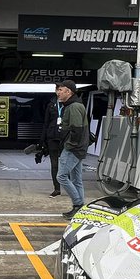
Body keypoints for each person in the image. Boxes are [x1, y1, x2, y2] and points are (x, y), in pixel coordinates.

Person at [55, 79, 88, 219]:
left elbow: (76, 129)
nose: (58, 93)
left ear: (68, 91)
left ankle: (78, 204)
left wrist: (70, 146)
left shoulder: (73, 107)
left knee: (61, 176)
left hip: (73, 148)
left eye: (60, 90)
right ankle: (80, 209)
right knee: (76, 179)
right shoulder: (75, 105)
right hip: (79, 148)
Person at [40, 90, 65, 197]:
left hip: (66, 138)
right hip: (52, 137)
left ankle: (72, 187)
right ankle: (57, 188)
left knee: (67, 164)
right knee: (54, 165)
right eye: (57, 90)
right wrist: (42, 140)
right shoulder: (51, 104)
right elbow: (46, 122)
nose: (59, 92)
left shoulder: (71, 105)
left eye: (61, 89)